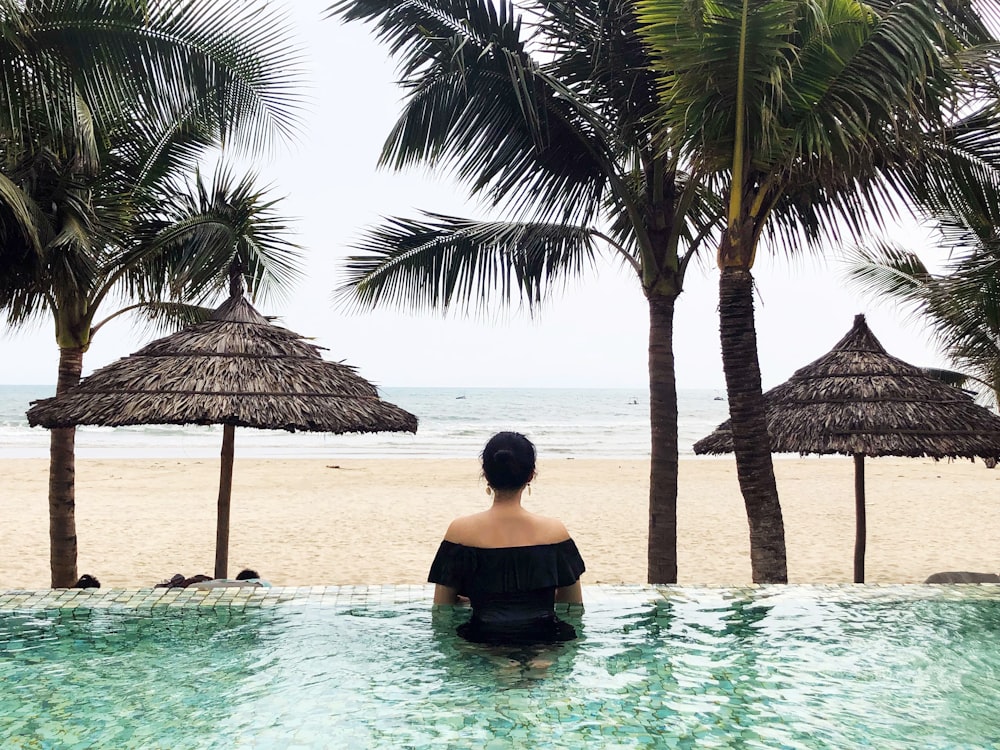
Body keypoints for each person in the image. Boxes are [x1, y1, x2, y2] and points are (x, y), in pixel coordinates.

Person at [428, 431, 585, 644]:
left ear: (485, 474)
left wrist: (474, 600)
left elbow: (442, 610)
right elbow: (573, 607)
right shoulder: (555, 532)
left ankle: (500, 661)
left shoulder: (460, 532)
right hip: (547, 637)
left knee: (487, 653)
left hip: (482, 638)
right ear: (531, 475)